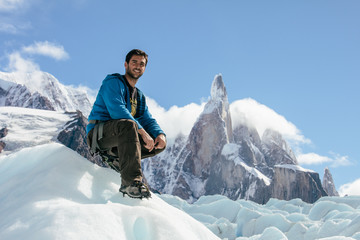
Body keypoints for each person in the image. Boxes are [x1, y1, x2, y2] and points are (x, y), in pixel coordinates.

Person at [86, 49, 166, 199]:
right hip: (98, 134)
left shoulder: (139, 96)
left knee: (159, 143)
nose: (137, 66)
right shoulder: (113, 82)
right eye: (134, 62)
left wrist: (159, 134)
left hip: (119, 137)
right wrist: (142, 132)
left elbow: (147, 118)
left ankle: (115, 157)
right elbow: (117, 110)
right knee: (128, 125)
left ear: (144, 68)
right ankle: (130, 183)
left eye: (141, 64)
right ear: (126, 64)